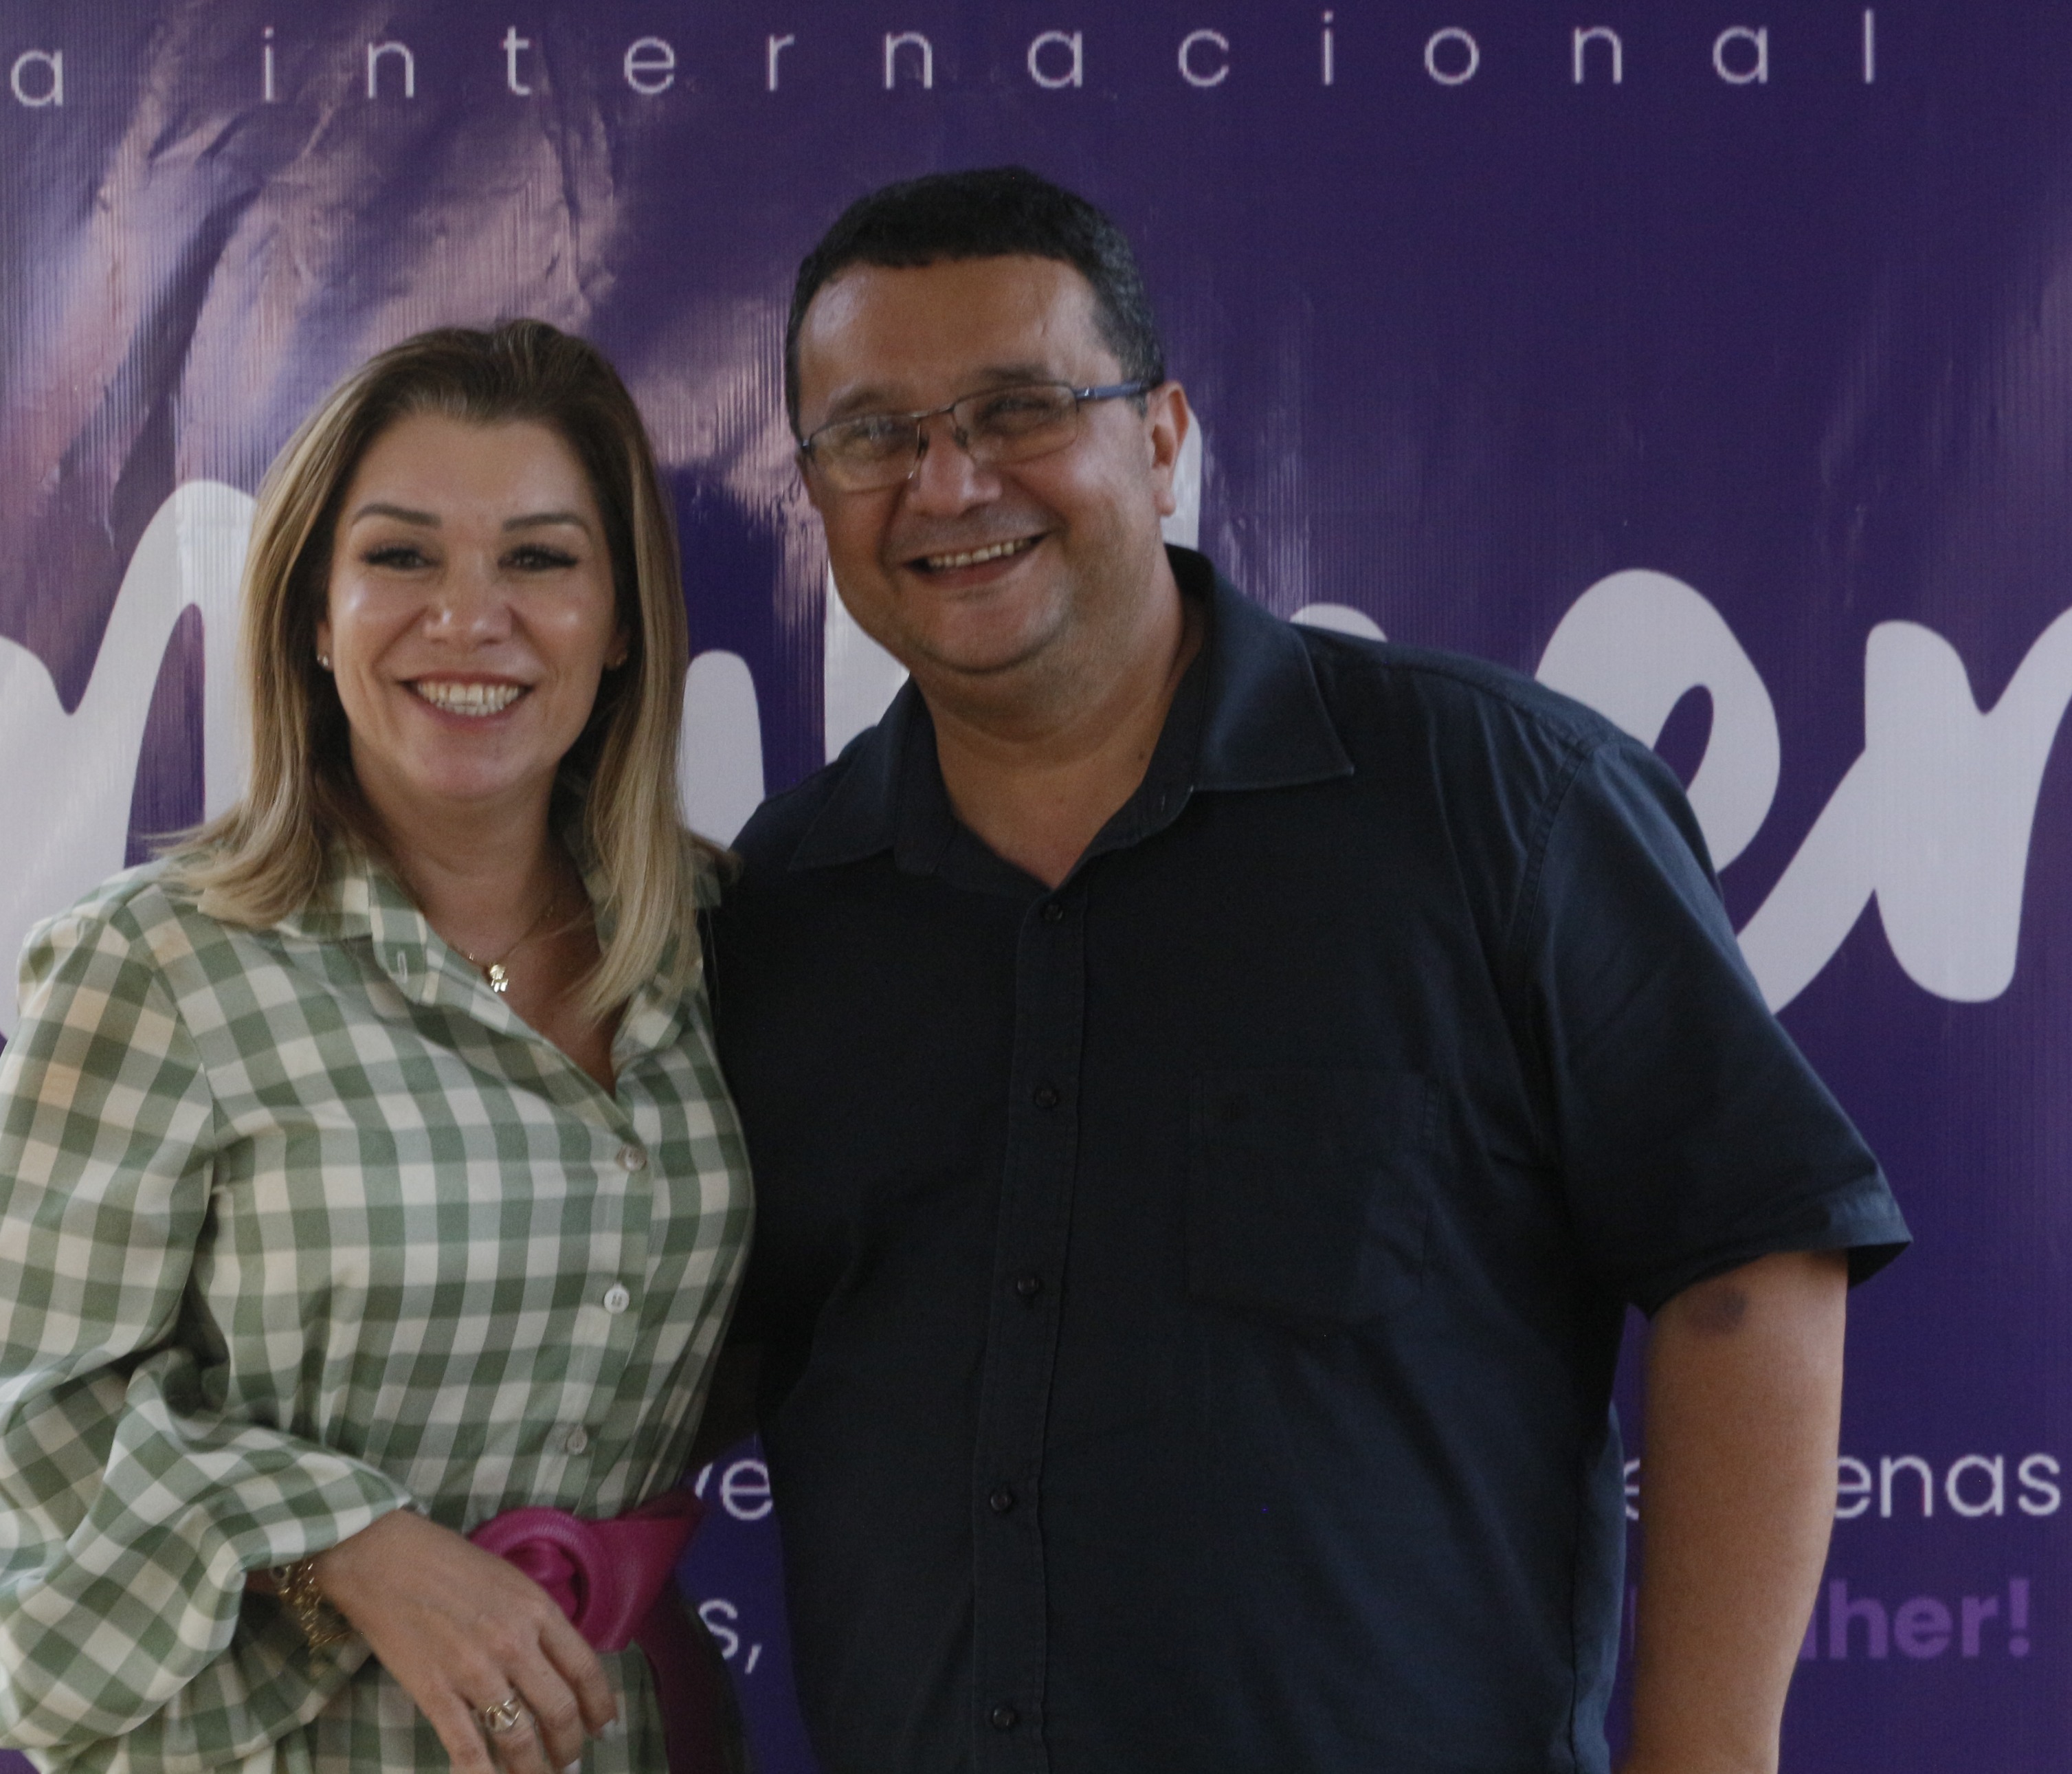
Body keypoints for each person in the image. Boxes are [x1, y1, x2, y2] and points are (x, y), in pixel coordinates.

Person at [709, 167, 1911, 1773]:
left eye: (1018, 408)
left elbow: (1751, 1268)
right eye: (874, 434)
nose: (947, 481)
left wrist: (1702, 1757)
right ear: (814, 484)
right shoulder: (779, 906)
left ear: (1160, 438)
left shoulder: (1498, 801)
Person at [0, 321, 750, 1774]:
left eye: (540, 559)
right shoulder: (161, 966)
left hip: (626, 1736)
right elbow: (9, 1434)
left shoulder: (713, 947)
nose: (468, 617)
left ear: (622, 620)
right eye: (402, 557)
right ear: (315, 609)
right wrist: (343, 1540)